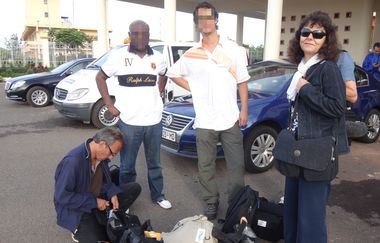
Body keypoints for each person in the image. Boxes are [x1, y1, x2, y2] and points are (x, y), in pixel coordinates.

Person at [167, 1, 250, 220]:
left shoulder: (233, 50)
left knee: (236, 165)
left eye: (208, 17)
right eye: (200, 18)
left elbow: (242, 82)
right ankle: (211, 202)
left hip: (230, 118)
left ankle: (236, 204)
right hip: (204, 120)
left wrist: (244, 111)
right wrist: (194, 88)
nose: (205, 22)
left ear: (216, 20)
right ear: (197, 23)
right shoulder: (192, 53)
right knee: (205, 166)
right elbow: (173, 73)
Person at [283, 11, 348, 242]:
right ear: (299, 37)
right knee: (292, 211)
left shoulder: (327, 68)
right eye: (306, 32)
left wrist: (305, 89)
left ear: (326, 39)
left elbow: (337, 108)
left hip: (316, 155)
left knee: (310, 218)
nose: (310, 37)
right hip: (297, 150)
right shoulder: (302, 68)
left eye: (318, 33)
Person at [95, 20, 172, 209]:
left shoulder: (159, 57)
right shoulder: (118, 56)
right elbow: (100, 77)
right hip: (129, 121)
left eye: (144, 33)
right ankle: (124, 200)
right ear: (130, 35)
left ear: (148, 35)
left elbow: (164, 73)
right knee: (127, 166)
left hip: (154, 120)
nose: (140, 37)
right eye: (135, 33)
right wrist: (109, 104)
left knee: (154, 164)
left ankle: (158, 196)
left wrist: (159, 92)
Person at [54, 127, 142, 242]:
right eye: (112, 153)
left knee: (135, 188)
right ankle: (79, 229)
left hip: (97, 197)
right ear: (102, 144)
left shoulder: (101, 156)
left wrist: (112, 193)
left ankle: (105, 213)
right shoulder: (73, 162)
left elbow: (105, 180)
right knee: (100, 238)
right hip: (77, 208)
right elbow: (62, 197)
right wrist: (94, 202)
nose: (111, 157)